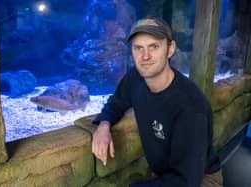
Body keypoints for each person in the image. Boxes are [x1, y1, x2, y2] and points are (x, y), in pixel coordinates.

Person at [92, 17, 220, 187]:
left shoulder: (191, 106)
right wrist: (103, 126)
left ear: (170, 49)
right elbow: (116, 102)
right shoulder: (136, 77)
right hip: (167, 174)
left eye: (154, 46)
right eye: (138, 48)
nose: (145, 56)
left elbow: (185, 181)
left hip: (199, 180)